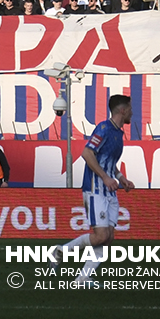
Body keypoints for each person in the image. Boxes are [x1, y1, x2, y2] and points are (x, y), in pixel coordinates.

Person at [52, 94, 134, 285]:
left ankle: (83, 277)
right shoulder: (104, 129)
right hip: (95, 188)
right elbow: (87, 153)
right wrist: (105, 178)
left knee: (108, 238)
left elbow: (108, 161)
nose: (132, 112)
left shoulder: (117, 133)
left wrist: (121, 178)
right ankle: (60, 251)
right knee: (101, 235)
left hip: (108, 190)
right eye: (130, 109)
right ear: (122, 110)